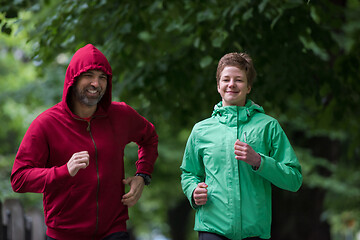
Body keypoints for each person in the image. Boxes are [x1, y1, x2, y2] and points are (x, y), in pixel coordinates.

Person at [11, 44, 158, 240]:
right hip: (64, 234)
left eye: (102, 77)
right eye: (88, 75)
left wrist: (142, 175)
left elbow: (149, 138)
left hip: (113, 231)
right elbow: (19, 178)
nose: (96, 84)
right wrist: (63, 171)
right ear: (73, 78)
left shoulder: (121, 115)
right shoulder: (46, 124)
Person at [180, 52, 302, 240]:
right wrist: (193, 191)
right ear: (218, 86)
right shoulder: (200, 130)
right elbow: (189, 173)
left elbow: (294, 179)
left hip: (254, 231)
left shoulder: (268, 126)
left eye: (239, 80)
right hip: (212, 227)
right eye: (226, 79)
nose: (231, 84)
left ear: (249, 86)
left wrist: (259, 161)